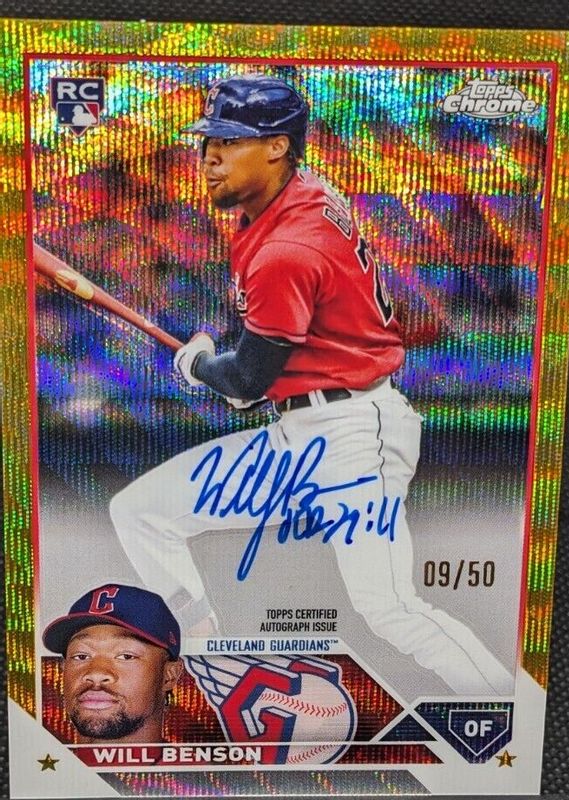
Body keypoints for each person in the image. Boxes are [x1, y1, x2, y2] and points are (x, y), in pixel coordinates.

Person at [110, 73, 513, 695]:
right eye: (207, 141)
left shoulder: (287, 247)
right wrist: (239, 376)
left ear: (278, 147)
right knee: (140, 512)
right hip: (303, 428)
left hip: (352, 435)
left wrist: (200, 366)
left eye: (229, 141)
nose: (209, 157)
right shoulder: (297, 196)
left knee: (390, 609)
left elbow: (247, 375)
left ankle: (500, 710)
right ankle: (202, 644)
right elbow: (260, 369)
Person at [43, 583, 183, 743]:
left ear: (169, 676)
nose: (96, 674)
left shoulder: (201, 761)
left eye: (126, 656)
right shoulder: (35, 758)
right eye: (81, 656)